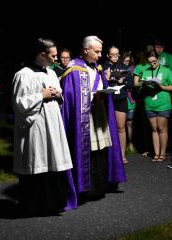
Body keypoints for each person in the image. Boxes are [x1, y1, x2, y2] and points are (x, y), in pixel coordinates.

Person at [11, 38, 74, 215]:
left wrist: (56, 94)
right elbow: (18, 104)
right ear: (42, 54)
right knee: (38, 161)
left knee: (53, 161)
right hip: (35, 127)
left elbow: (59, 96)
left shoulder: (51, 73)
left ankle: (54, 203)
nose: (56, 58)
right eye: (53, 55)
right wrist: (41, 95)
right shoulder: (24, 75)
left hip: (52, 125)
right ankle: (35, 205)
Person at [61, 35, 126, 202]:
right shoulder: (73, 69)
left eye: (101, 52)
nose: (100, 55)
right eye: (97, 52)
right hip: (83, 118)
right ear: (85, 50)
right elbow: (70, 97)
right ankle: (85, 188)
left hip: (99, 114)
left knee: (101, 149)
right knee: (88, 150)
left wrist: (103, 95)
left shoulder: (97, 68)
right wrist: (91, 97)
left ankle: (101, 185)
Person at [140, 50, 172, 162]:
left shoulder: (166, 71)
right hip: (150, 104)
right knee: (154, 129)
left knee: (161, 128)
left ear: (159, 59)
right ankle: (156, 153)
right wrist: (145, 85)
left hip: (163, 104)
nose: (152, 64)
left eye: (155, 61)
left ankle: (163, 153)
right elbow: (141, 87)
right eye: (150, 62)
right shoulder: (146, 72)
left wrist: (161, 87)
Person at [102, 46, 134, 164]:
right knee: (107, 128)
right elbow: (98, 84)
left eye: (117, 54)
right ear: (108, 55)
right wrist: (105, 79)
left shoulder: (124, 67)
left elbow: (131, 84)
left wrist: (123, 81)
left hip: (120, 99)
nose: (115, 57)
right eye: (112, 54)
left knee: (121, 128)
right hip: (107, 100)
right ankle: (109, 156)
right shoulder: (102, 67)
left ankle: (122, 155)